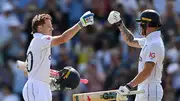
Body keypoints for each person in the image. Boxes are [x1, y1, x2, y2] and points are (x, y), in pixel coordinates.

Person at [17, 11, 94, 101]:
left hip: (40, 87)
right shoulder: (41, 39)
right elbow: (63, 38)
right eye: (49, 26)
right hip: (37, 87)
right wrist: (81, 24)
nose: (52, 28)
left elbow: (26, 70)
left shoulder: (37, 43)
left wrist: (53, 75)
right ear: (40, 28)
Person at [108, 9, 165, 101]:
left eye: (142, 23)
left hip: (150, 90)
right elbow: (130, 41)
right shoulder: (149, 41)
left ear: (148, 24)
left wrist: (129, 86)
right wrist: (120, 23)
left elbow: (147, 71)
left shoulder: (154, 43)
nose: (140, 26)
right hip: (144, 89)